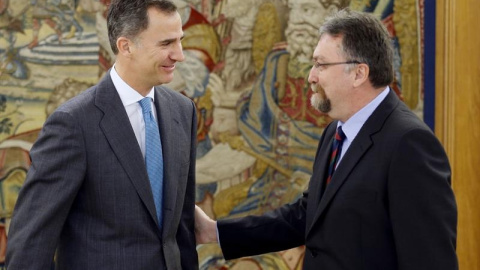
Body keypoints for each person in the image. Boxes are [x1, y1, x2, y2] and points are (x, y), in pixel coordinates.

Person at [195, 8, 458, 270]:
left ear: (359, 73)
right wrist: (214, 232)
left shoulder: (410, 144)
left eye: (321, 64)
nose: (311, 76)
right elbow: (305, 217)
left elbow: (430, 260)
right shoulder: (335, 132)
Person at [6, 0, 199, 269]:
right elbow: (31, 243)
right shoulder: (72, 124)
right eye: (166, 44)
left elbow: (182, 230)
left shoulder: (183, 111)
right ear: (126, 46)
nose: (180, 55)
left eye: (180, 40)